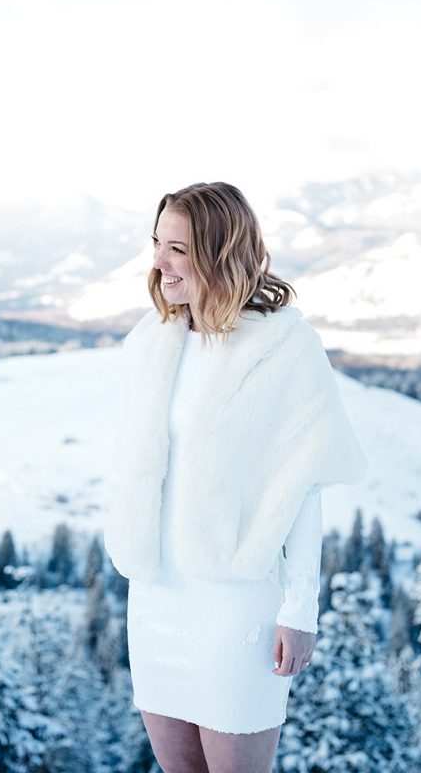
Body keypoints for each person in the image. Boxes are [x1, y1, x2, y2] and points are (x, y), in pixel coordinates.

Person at [104, 182, 368, 773]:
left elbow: (303, 491)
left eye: (176, 247)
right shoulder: (149, 344)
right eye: (156, 244)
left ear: (219, 251)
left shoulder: (284, 348)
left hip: (236, 607)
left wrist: (301, 611)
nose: (158, 261)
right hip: (155, 601)